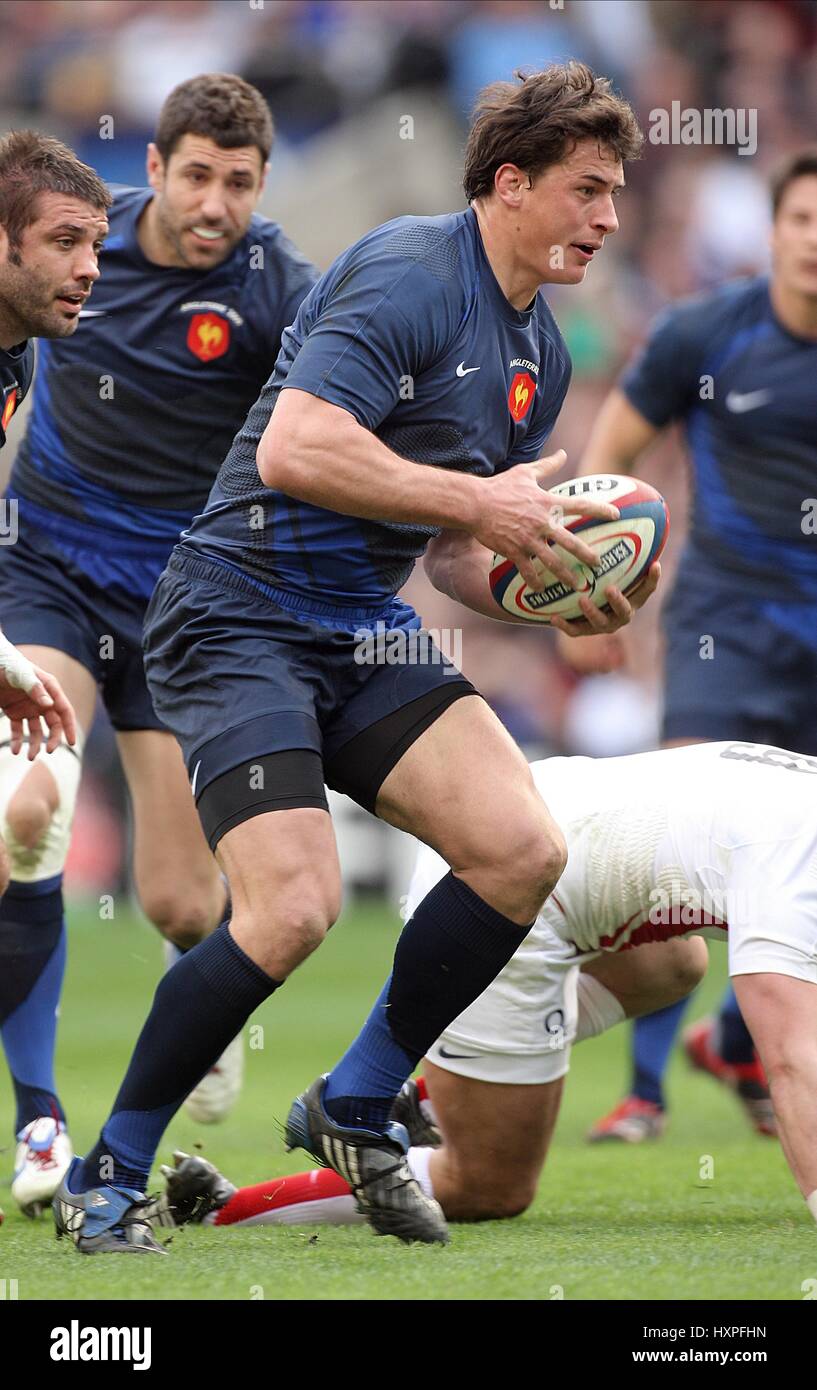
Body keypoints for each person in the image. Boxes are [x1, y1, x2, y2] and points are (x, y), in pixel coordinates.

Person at [52, 60, 658, 1254]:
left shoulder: (544, 347)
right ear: (510, 181)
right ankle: (108, 1169)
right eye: (588, 191)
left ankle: (356, 1096)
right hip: (238, 607)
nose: (608, 219)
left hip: (361, 622)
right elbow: (295, 446)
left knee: (518, 849)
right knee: (292, 908)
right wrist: (484, 508)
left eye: (617, 195)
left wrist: (554, 594)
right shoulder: (408, 269)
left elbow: (447, 550)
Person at [0, 76, 318, 1216]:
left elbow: (338, 415)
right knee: (27, 802)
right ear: (157, 164)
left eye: (238, 182)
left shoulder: (281, 288)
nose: (214, 202)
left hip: (179, 600)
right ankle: (43, 1120)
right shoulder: (70, 261)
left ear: (261, 187)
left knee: (186, 901)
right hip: (49, 572)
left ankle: (203, 998)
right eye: (196, 174)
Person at [157, 741, 817, 1236]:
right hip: (511, 887)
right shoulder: (795, 856)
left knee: (675, 966)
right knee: (488, 1185)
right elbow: (789, 1056)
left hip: (537, 811)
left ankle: (431, 1092)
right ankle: (225, 1208)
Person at [567, 149, 817, 1144]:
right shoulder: (708, 333)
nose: (816, 240)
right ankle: (642, 1089)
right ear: (773, 231)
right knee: (680, 868)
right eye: (802, 219)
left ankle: (732, 1038)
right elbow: (614, 452)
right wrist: (592, 585)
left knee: (801, 873)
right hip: (725, 628)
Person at [0, 127, 106, 1219]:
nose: (87, 266)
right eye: (65, 241)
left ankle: (42, 1115)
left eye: (97, 243)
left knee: (34, 814)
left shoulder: (20, 355)